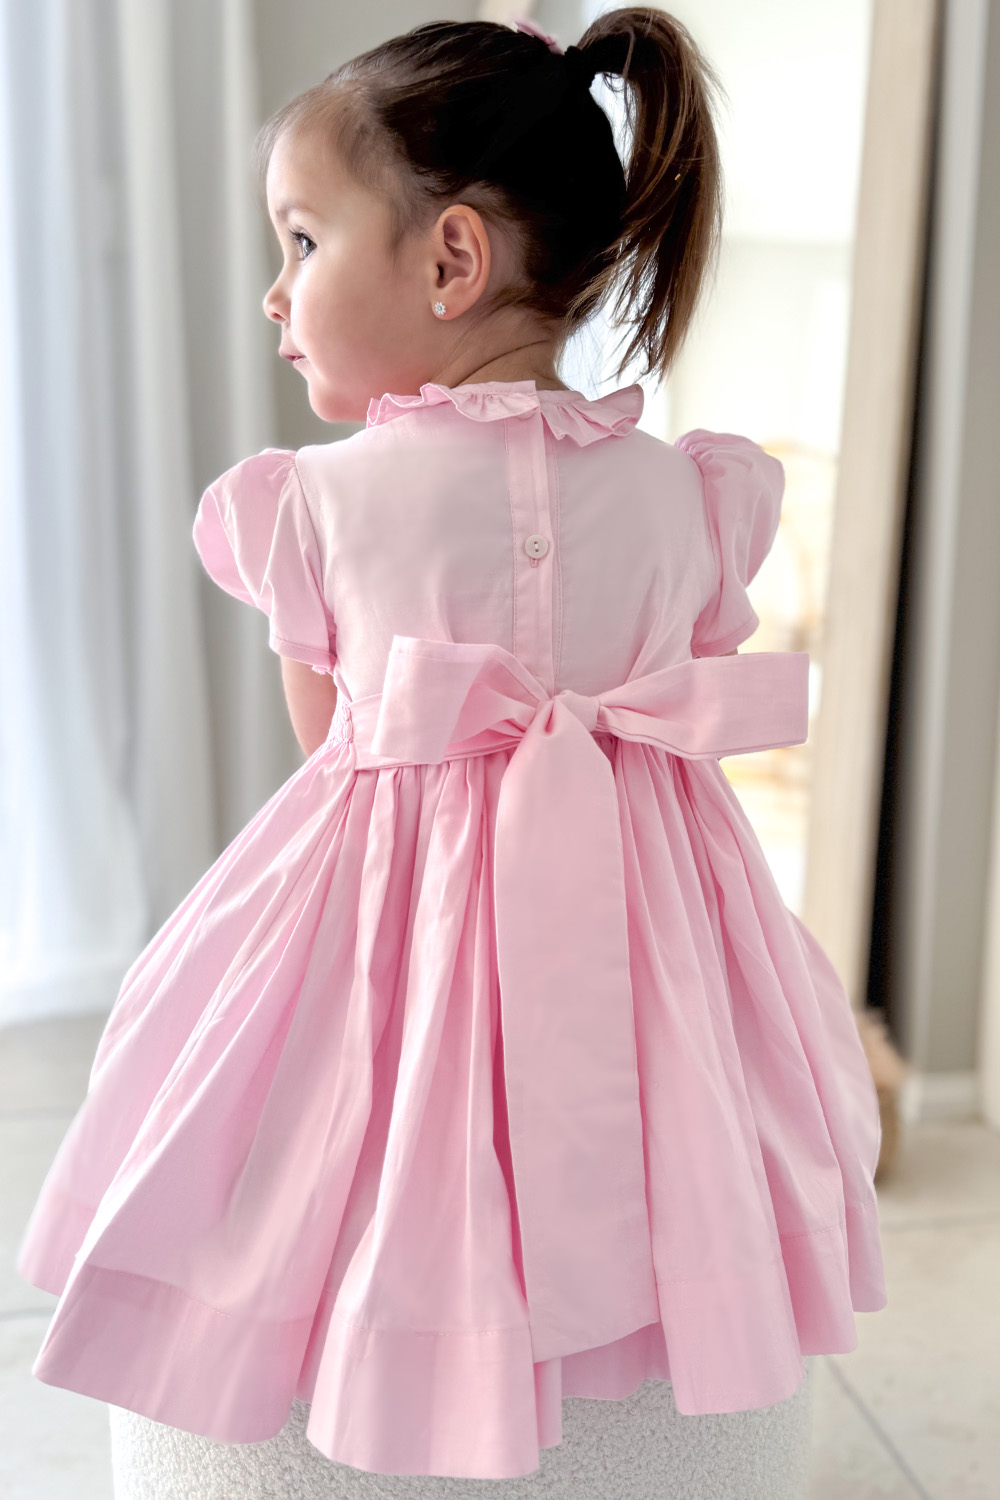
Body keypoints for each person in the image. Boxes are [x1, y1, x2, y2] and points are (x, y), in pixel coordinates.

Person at [16, 9, 887, 1498]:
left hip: (384, 905)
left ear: (451, 259)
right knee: (683, 1105)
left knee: (327, 1114)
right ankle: (655, 1342)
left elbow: (336, 754)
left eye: (302, 241)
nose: (275, 293)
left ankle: (386, 1351)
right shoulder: (692, 497)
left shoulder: (318, 507)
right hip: (647, 918)